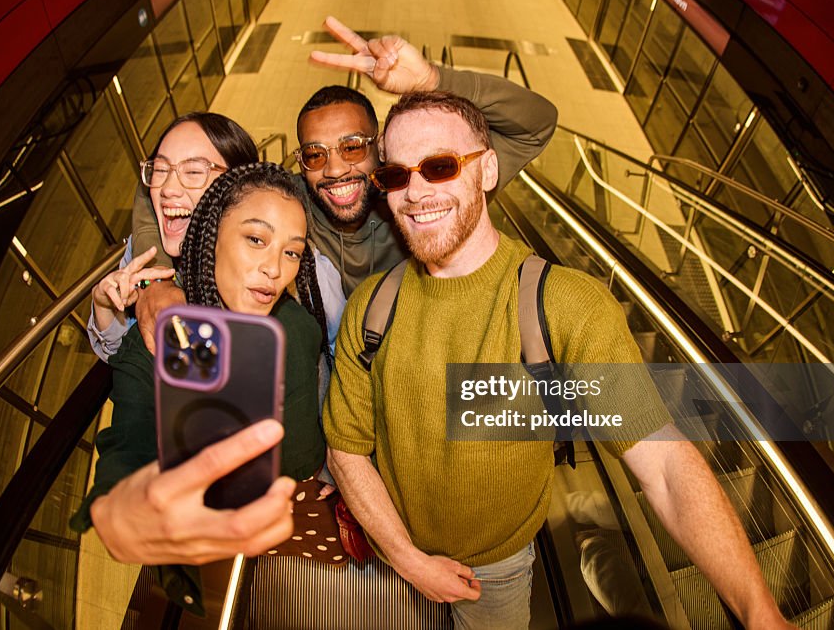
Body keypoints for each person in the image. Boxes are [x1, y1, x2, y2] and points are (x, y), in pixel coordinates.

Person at [322, 91, 793, 629]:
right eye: (396, 176)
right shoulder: (372, 306)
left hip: (494, 575)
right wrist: (406, 558)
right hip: (390, 561)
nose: (416, 193)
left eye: (439, 166)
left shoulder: (564, 304)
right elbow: (347, 448)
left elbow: (662, 465)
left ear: (489, 168)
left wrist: (758, 612)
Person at [130, 16, 559, 346]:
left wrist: (433, 81)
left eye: (353, 146)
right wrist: (158, 280)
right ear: (301, 163)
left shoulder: (420, 194)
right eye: (315, 155)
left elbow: (537, 124)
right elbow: (162, 191)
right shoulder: (291, 204)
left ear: (381, 150)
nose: (334, 170)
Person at [72, 163, 340, 614]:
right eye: (256, 239)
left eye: (292, 252)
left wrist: (332, 468)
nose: (275, 269)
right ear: (212, 234)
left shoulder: (296, 324)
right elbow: (129, 439)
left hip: (310, 504)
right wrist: (122, 502)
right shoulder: (166, 336)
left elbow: (321, 397)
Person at [87, 112, 259, 361]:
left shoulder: (271, 261)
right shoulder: (143, 252)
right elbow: (120, 353)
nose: (167, 188)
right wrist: (106, 308)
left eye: (193, 172)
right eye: (160, 169)